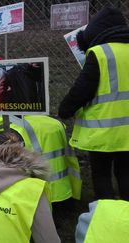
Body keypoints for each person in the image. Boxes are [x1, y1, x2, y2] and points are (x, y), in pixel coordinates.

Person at [58, 7, 129, 200]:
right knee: (125, 174)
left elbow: (82, 89)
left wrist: (65, 109)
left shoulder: (99, 53)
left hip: (103, 131)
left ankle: (104, 219)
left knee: (102, 175)